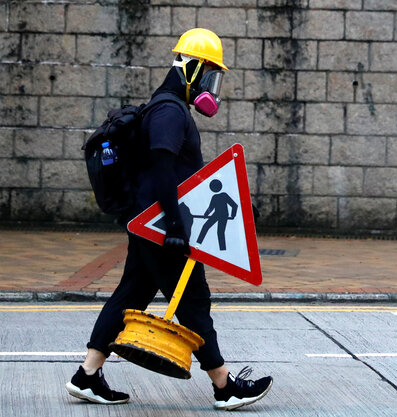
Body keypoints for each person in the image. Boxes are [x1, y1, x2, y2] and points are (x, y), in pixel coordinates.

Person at [65, 28, 273, 411]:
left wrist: (238, 202)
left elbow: (182, 173)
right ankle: (224, 385)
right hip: (162, 228)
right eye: (209, 75)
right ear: (190, 69)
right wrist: (176, 227)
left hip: (151, 224)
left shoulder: (167, 108)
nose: (212, 86)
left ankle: (87, 376)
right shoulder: (168, 111)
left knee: (131, 294)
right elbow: (162, 170)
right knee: (194, 299)